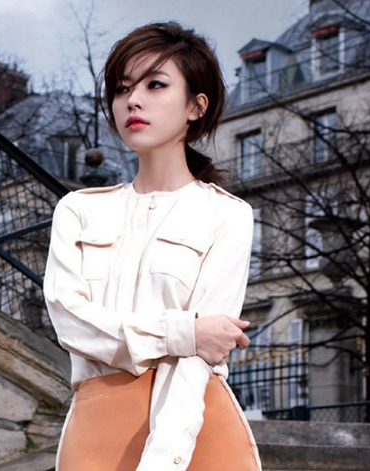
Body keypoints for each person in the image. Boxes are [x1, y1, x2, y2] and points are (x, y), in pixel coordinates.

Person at [44, 21, 262, 471]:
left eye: (155, 85)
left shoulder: (228, 214)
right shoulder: (78, 210)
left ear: (196, 106)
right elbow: (72, 324)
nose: (133, 100)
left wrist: (161, 462)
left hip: (196, 428)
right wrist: (185, 333)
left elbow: (198, 362)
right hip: (96, 429)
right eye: (122, 89)